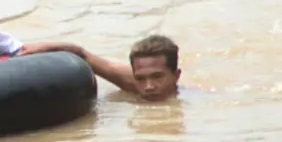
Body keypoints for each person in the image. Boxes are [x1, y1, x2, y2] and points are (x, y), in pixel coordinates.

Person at [25, 35, 182, 102]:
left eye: (157, 77)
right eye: (140, 78)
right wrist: (44, 47)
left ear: (176, 75)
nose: (148, 87)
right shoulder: (131, 84)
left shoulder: (192, 102)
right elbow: (83, 55)